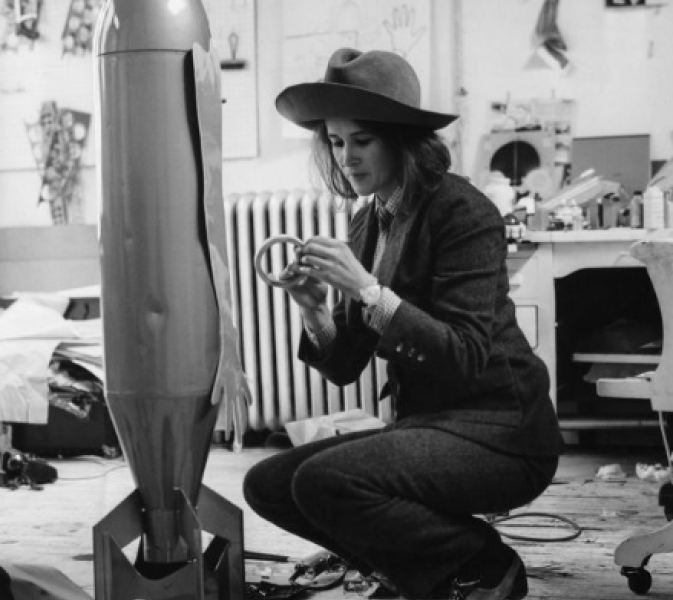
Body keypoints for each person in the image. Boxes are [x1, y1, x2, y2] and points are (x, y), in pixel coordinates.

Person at [243, 48, 563, 600]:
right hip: (428, 426)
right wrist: (314, 307)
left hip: (503, 432)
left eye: (361, 141)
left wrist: (365, 289)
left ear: (402, 139)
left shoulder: (464, 211)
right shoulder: (371, 223)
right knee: (268, 485)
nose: (347, 158)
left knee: (324, 482)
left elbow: (463, 353)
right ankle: (426, 576)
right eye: (337, 142)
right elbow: (345, 367)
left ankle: (481, 566)